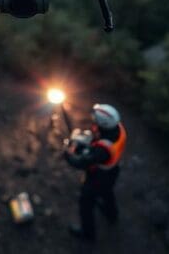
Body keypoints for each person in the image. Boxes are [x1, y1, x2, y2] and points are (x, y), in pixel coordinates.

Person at [64, 103, 127, 242]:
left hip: (98, 178)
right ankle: (112, 215)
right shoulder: (119, 129)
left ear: (103, 124)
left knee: (86, 204)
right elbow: (98, 136)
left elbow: (80, 163)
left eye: (96, 120)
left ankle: (88, 233)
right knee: (107, 193)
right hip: (112, 171)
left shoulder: (103, 150)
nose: (93, 122)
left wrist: (68, 154)